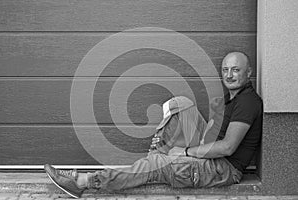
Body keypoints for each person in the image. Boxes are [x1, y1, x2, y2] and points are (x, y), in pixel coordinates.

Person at [44, 52, 263, 198]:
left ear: (249, 73)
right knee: (182, 104)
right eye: (225, 70)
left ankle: (84, 182)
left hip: (223, 169)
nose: (229, 75)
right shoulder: (232, 99)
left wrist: (186, 151)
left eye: (235, 70)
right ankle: (154, 163)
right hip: (211, 154)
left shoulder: (247, 102)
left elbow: (227, 148)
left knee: (156, 164)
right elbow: (212, 135)